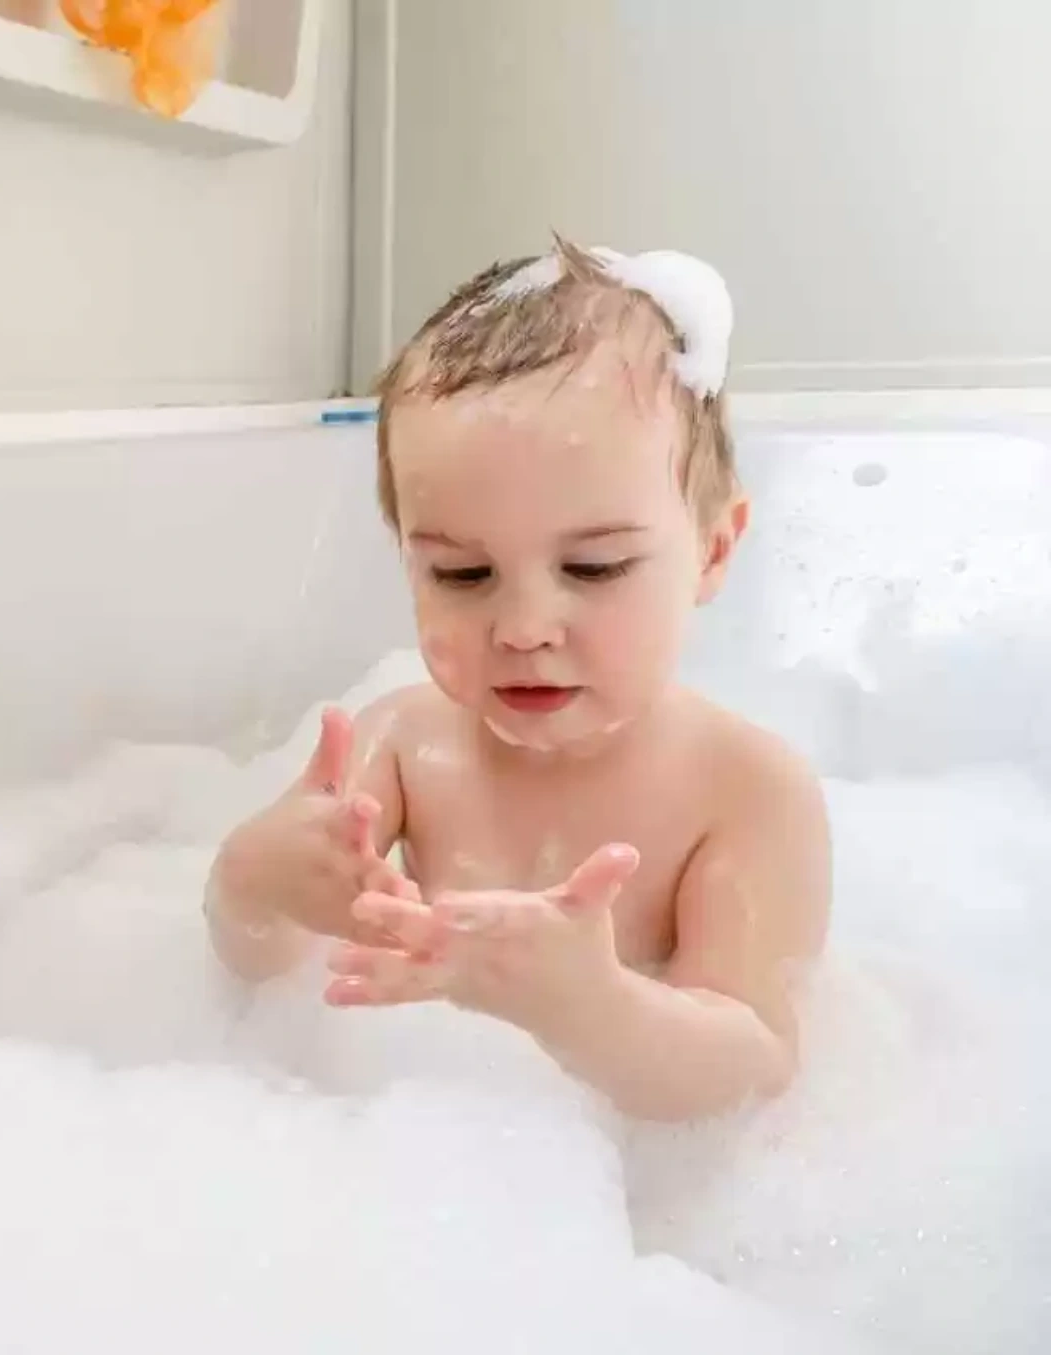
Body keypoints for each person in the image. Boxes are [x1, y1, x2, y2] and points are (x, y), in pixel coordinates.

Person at [203, 238, 831, 1123]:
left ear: (714, 548)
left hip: (613, 1177)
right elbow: (258, 965)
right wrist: (255, 879)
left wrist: (594, 1011)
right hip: (419, 1139)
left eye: (595, 567)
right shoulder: (401, 744)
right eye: (463, 574)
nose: (524, 628)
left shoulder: (749, 792)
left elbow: (754, 1068)